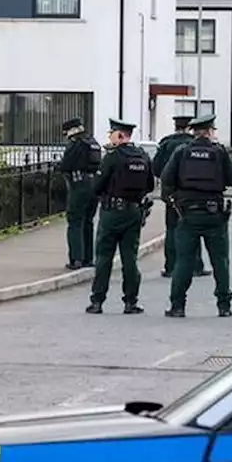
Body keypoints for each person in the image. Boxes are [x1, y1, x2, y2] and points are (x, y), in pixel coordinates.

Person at [160, 114, 232, 318]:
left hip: (188, 214)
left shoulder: (182, 152)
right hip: (214, 214)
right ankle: (224, 306)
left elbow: (166, 178)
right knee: (220, 261)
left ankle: (178, 306)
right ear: (210, 131)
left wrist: (173, 197)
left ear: (194, 132)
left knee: (184, 261)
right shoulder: (219, 152)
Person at [86, 118, 156, 315]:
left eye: (111, 134)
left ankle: (97, 301)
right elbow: (150, 185)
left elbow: (97, 186)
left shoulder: (112, 157)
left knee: (104, 257)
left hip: (111, 213)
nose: (109, 137)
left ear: (119, 135)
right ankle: (131, 302)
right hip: (134, 212)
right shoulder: (142, 156)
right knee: (130, 258)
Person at [152, 115, 210, 279]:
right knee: (194, 228)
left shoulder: (166, 143)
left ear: (175, 126)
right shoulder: (195, 143)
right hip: (194, 192)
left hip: (172, 193)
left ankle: (170, 266)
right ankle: (196, 266)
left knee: (172, 229)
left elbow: (156, 168)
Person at [58, 117, 102, 270]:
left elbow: (65, 166)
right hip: (94, 184)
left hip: (79, 185)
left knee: (75, 221)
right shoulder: (93, 142)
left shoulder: (76, 144)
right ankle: (89, 258)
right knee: (88, 222)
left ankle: (76, 259)